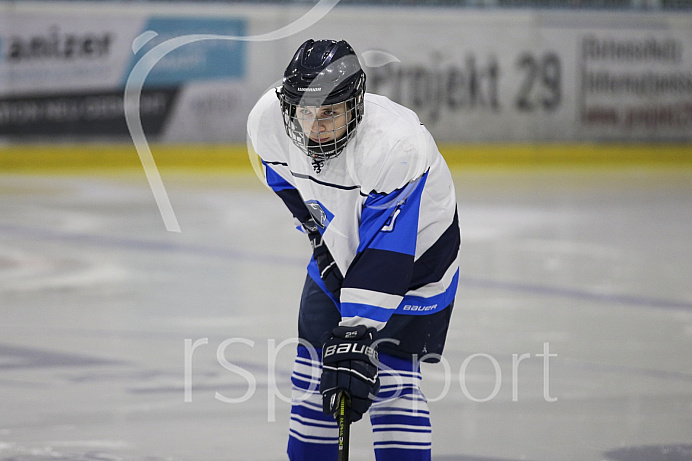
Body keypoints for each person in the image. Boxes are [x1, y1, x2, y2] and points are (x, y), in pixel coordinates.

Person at [246, 39, 460, 461]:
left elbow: (389, 251)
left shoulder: (395, 145)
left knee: (392, 382)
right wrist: (317, 238)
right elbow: (285, 183)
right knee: (314, 377)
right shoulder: (267, 122)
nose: (315, 129)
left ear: (355, 105)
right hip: (341, 248)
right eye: (306, 114)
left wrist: (356, 329)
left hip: (421, 256)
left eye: (329, 114)